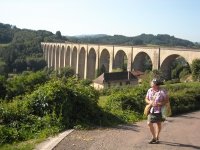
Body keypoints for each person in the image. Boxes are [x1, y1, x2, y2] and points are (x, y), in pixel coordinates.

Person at [145, 78, 168, 144]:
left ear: (155, 84)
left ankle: (157, 137)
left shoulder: (162, 91)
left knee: (158, 123)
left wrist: (158, 104)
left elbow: (166, 100)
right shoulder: (149, 90)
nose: (151, 83)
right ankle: (153, 137)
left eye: (152, 82)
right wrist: (150, 102)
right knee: (149, 123)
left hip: (159, 110)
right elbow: (146, 98)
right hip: (151, 109)